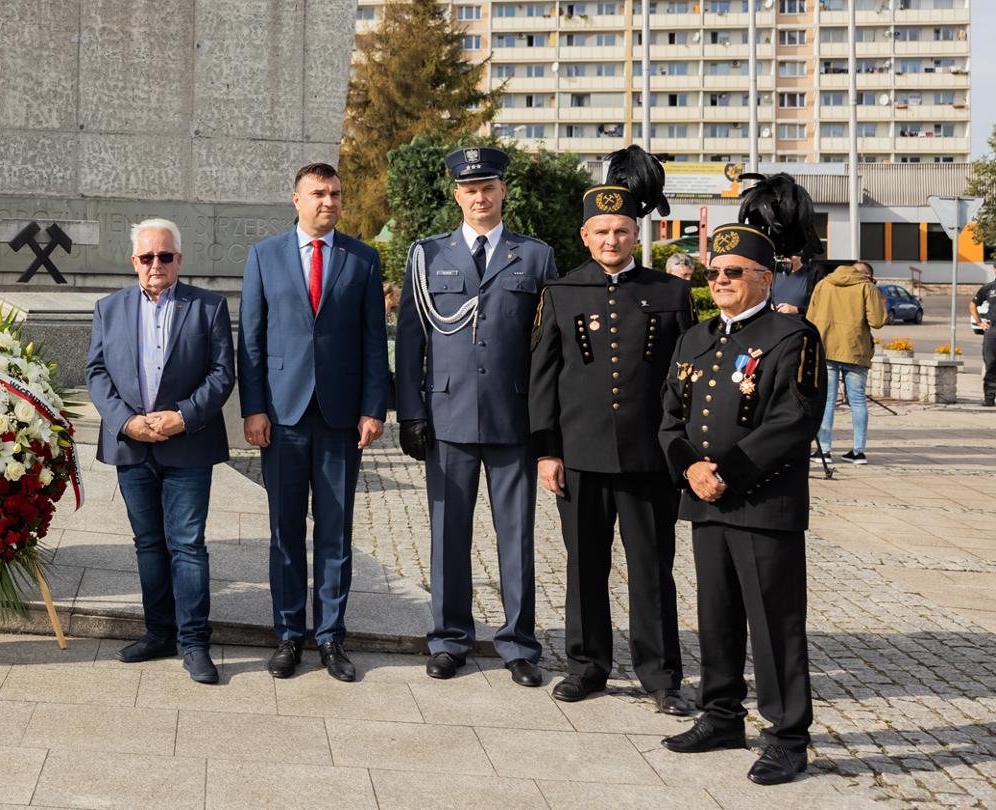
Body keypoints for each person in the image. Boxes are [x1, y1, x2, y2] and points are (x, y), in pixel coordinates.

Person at [658, 223, 823, 787]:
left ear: (764, 278)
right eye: (714, 273)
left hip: (762, 502)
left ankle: (787, 737)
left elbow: (794, 420)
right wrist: (691, 468)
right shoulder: (695, 338)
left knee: (775, 624)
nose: (721, 281)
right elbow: (670, 418)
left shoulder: (790, 336)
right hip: (706, 502)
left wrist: (726, 474)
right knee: (717, 616)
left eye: (734, 272)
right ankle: (722, 714)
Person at [530, 158, 695, 715]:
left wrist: (682, 449)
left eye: (621, 230)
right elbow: (543, 378)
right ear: (585, 235)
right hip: (580, 454)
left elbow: (685, 378)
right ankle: (587, 665)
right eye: (601, 231)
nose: (611, 239)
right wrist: (546, 449)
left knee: (652, 569)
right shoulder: (561, 291)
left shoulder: (669, 295)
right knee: (585, 567)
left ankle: (660, 674)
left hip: (650, 458)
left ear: (635, 233)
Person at [396, 146, 559, 686]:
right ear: (456, 194)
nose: (479, 196)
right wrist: (411, 413)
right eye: (469, 188)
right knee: (448, 535)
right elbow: (411, 342)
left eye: (488, 186)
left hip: (513, 418)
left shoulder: (534, 257)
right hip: (448, 417)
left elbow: (547, 346)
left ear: (503, 191)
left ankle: (518, 644)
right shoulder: (428, 255)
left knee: (516, 537)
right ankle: (449, 639)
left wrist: (546, 424)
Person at [238, 163, 389, 682]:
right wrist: (252, 408)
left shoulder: (363, 259)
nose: (329, 201)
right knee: (284, 530)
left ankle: (330, 637)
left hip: (341, 419)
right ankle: (287, 634)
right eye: (319, 194)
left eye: (336, 194)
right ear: (296, 200)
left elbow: (375, 341)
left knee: (335, 532)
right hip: (282, 417)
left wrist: (374, 407)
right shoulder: (264, 256)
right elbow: (251, 340)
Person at [85, 218, 236, 685]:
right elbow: (96, 373)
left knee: (187, 546)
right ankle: (159, 633)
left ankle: (194, 643)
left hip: (187, 444)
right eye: (147, 257)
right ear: (134, 261)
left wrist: (183, 417)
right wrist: (126, 421)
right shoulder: (108, 308)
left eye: (164, 257)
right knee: (148, 545)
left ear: (178, 260)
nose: (156, 265)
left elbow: (221, 373)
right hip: (132, 445)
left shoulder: (208, 307)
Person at [806, 260, 887, 464]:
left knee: (827, 401)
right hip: (856, 350)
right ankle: (858, 451)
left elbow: (810, 319)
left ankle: (824, 450)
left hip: (826, 349)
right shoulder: (866, 287)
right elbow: (878, 321)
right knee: (858, 400)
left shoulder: (823, 284)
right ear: (866, 274)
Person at [970, 274, 995, 407]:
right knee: (991, 363)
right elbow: (973, 305)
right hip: (993, 331)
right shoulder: (988, 288)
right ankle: (989, 398)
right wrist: (979, 322)